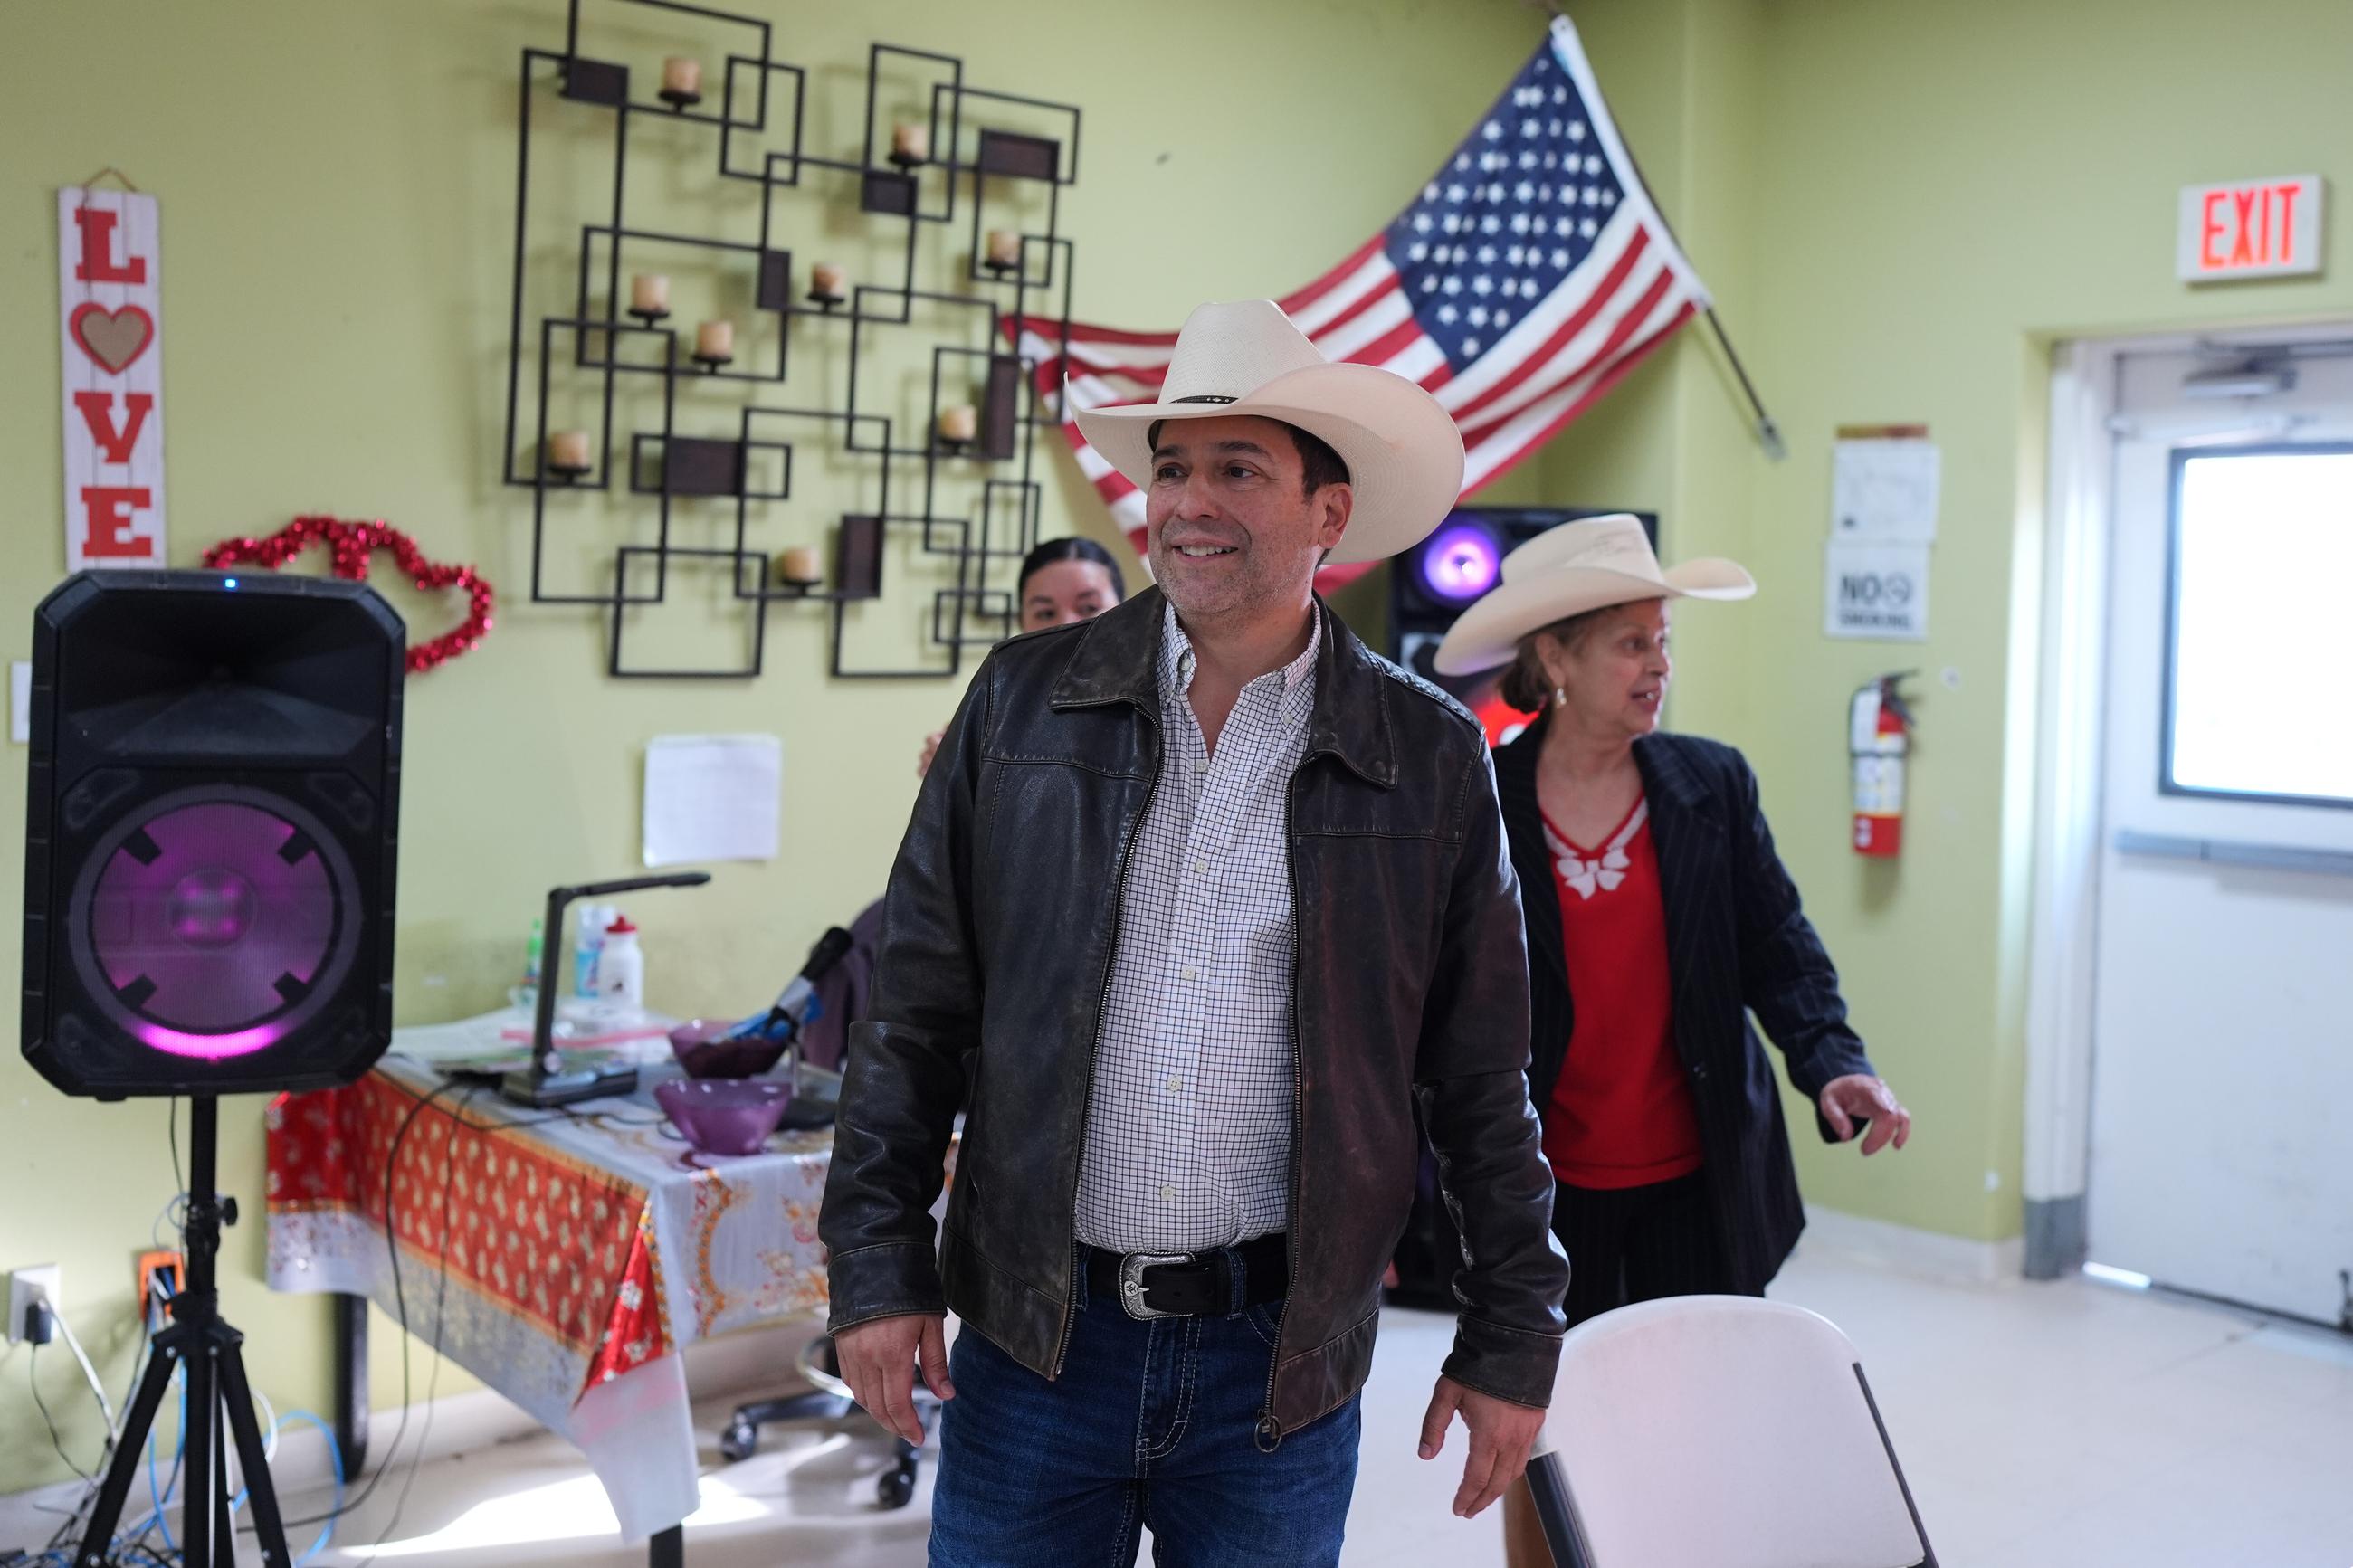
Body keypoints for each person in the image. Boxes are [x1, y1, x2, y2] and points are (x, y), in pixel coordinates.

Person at [820, 299, 1569, 1567]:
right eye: (1171, 467)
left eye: (1238, 468)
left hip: (1278, 1366)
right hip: (1035, 1340)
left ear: (1330, 514)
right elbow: (914, 1016)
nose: (1189, 501)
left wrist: (1511, 1333)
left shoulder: (1429, 755)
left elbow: (1480, 1076)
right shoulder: (1020, 704)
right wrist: (878, 1267)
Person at [1429, 516, 1915, 1565]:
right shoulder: (1481, 800)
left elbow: (1779, 948)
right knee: (1542, 1435)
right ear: (1553, 657)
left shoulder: (1710, 785)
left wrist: (1836, 1063)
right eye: (1629, 642)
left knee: (1697, 1438)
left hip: (1697, 1185)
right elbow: (1435, 1006)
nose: (1658, 665)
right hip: (1539, 1203)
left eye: (1663, 640)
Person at [917, 537, 1127, 777]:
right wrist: (953, 782)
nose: (1067, 625)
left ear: (1124, 610)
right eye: (1045, 613)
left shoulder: (1162, 698)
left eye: (1089, 608)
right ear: (1021, 622)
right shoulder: (994, 709)